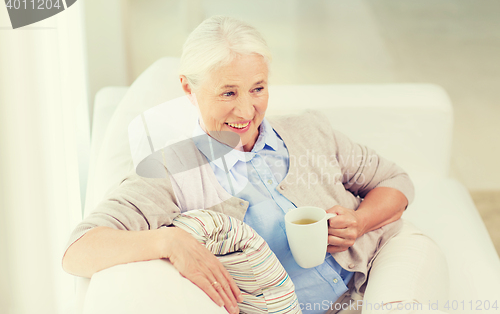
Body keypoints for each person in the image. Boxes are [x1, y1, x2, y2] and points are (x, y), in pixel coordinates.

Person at [62, 16, 449, 314]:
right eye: (228, 92)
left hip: (384, 258)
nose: (247, 110)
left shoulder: (308, 130)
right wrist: (169, 240)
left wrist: (360, 222)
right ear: (188, 89)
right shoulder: (175, 168)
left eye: (258, 88)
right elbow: (78, 250)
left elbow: (395, 182)